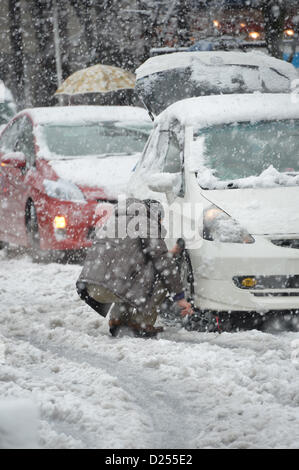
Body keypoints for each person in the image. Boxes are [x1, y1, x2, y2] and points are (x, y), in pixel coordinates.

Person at [76, 198, 194, 337]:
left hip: (90, 286)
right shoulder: (146, 223)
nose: (161, 223)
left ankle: (118, 320)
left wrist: (169, 253)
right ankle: (141, 322)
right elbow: (162, 263)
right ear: (155, 215)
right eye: (161, 219)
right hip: (112, 287)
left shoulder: (115, 220)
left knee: (131, 273)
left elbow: (125, 257)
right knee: (159, 274)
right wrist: (179, 296)